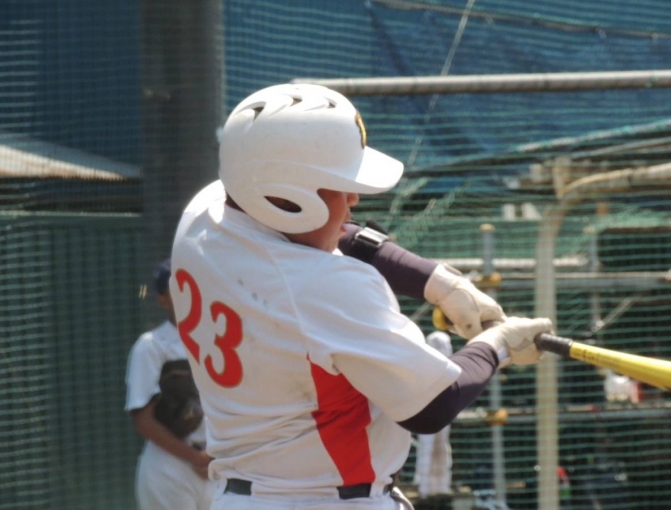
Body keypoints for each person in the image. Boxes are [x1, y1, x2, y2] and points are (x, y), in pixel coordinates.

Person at [169, 83, 552, 510]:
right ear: (284, 198)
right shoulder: (324, 285)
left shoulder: (203, 215)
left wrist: (439, 282)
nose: (353, 200)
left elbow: (337, 233)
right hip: (325, 501)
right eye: (337, 184)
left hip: (239, 495)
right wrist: (495, 346)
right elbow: (433, 404)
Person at [125, 258, 217, 510]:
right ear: (163, 300)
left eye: (192, 287)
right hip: (170, 466)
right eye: (177, 290)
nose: (187, 296)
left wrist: (213, 458)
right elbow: (143, 419)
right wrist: (196, 458)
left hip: (215, 465)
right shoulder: (152, 346)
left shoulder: (218, 341)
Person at [415, 331, 454, 499]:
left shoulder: (452, 368)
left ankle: (442, 487)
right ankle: (424, 488)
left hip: (443, 416)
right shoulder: (423, 367)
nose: (442, 349)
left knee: (441, 449)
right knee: (427, 448)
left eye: (444, 346)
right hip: (427, 416)